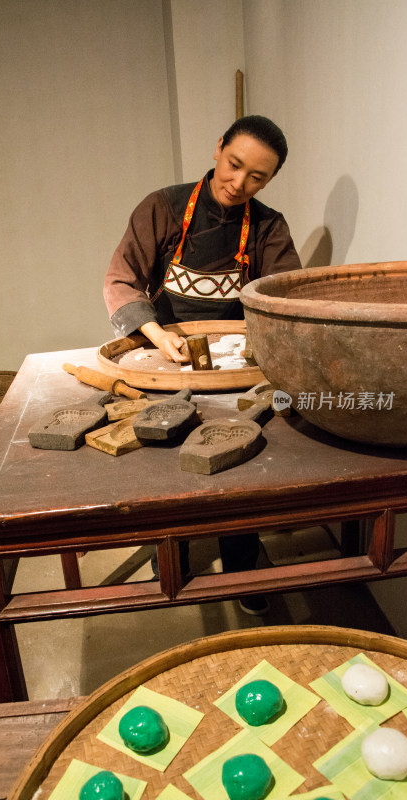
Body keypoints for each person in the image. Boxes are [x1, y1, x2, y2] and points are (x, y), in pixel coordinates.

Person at [103, 115, 302, 615]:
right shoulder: (164, 207)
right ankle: (172, 554)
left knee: (241, 462)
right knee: (165, 463)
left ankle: (240, 560)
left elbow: (285, 296)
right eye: (234, 166)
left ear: (269, 180)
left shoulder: (268, 226)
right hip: (165, 353)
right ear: (217, 149)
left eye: (257, 177)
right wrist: (154, 332)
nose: (239, 184)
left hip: (236, 362)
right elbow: (123, 277)